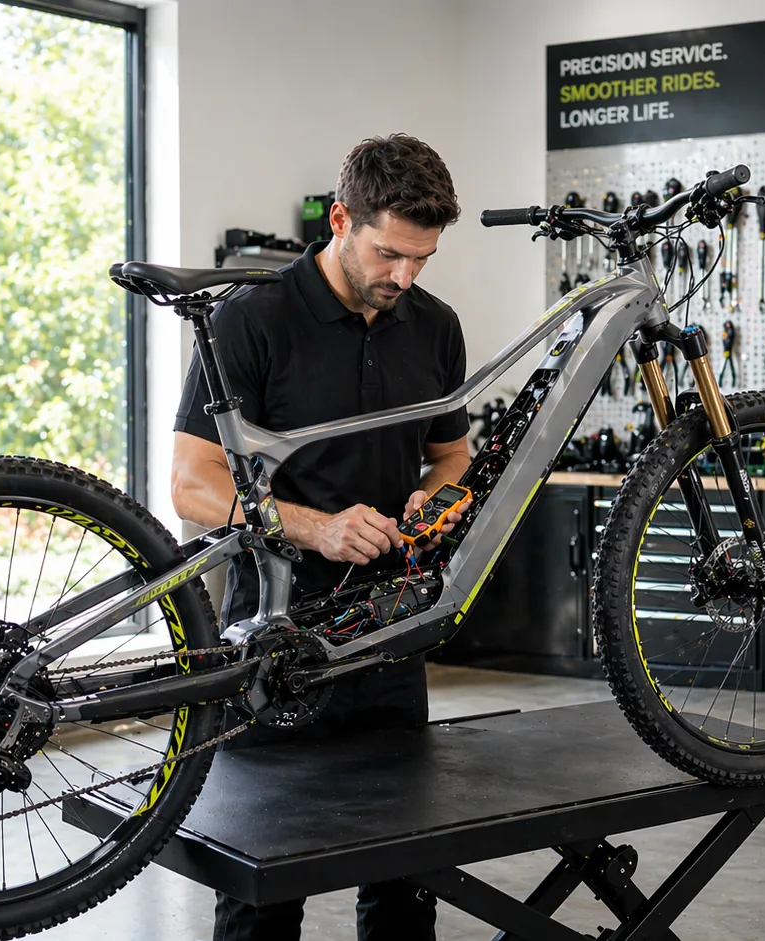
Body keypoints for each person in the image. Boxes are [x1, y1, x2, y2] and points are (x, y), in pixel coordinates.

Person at [171, 133, 470, 941]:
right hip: (272, 645)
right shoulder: (251, 319)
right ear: (340, 220)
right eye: (388, 254)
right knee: (262, 899)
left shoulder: (435, 327)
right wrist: (316, 528)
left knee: (403, 883)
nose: (403, 278)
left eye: (421, 259)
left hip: (390, 638)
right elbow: (193, 484)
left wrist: (438, 500)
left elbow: (451, 456)